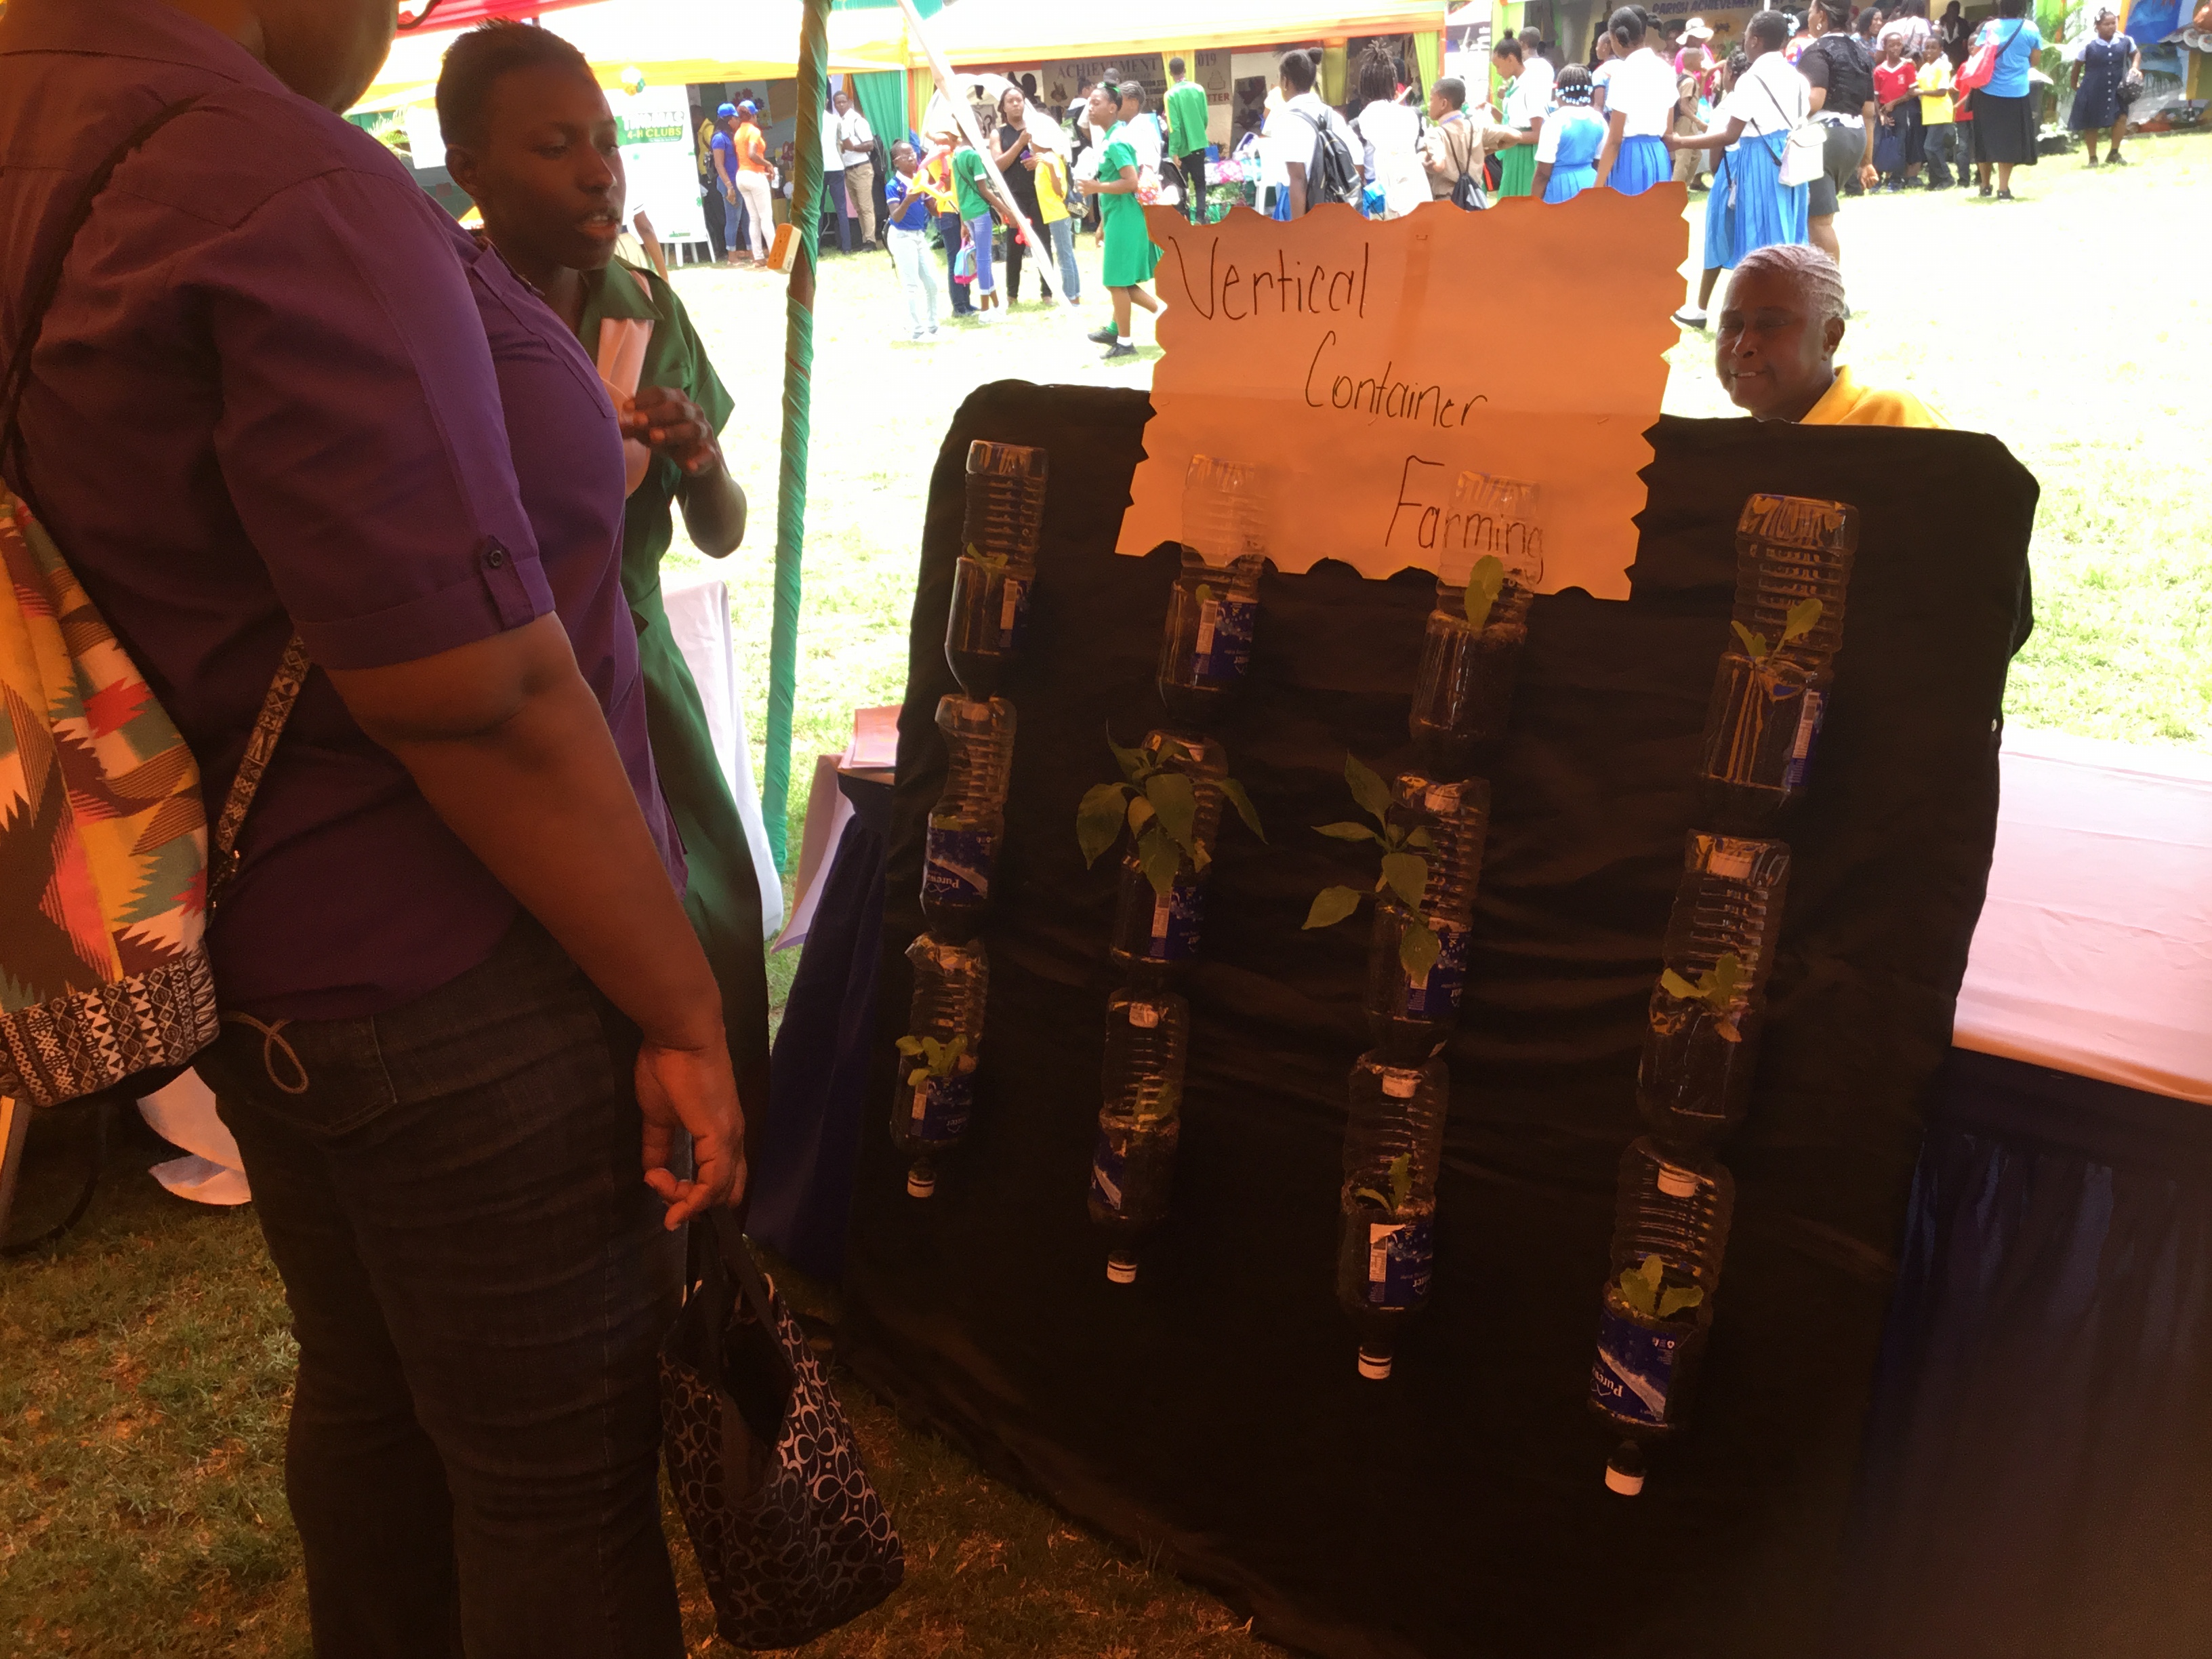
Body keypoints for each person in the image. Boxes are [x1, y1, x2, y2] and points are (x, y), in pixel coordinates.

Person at [0, 1, 747, 1654]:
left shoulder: (49, 112)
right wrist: (680, 1001)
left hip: (254, 930)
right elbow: (475, 694)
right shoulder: (281, 182)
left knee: (375, 1398)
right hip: (455, 951)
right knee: (552, 1478)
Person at [442, 21, 768, 1204]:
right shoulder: (439, 310)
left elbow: (721, 533)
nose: (598, 174)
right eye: (554, 147)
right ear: (469, 167)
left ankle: (728, 1189)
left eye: (606, 142)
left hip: (637, 673)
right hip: (509, 678)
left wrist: (699, 453)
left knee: (711, 922)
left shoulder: (644, 309)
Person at [1669, 10, 1810, 327]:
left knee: (1760, 240)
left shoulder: (1752, 80)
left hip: (1760, 160)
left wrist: (1680, 142)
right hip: (1791, 159)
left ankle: (1765, 318)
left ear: (1756, 40)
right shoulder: (1798, 78)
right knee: (1787, 236)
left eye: (1746, 36)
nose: (1744, 42)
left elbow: (1730, 135)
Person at [1713, 245, 1944, 424]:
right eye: (1732, 325)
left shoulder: (1893, 420)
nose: (1741, 346)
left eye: (1770, 325)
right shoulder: (1730, 450)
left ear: (1830, 338)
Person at [1084, 78, 1161, 361]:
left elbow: (1130, 182)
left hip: (1127, 217)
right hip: (1118, 216)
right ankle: (1117, 330)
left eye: (1096, 103)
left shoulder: (1117, 141)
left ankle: (1126, 340)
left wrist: (1096, 187)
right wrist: (1103, 224)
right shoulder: (1111, 138)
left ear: (1112, 108)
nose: (1090, 109)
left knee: (1117, 282)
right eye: (1089, 103)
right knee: (1120, 280)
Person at [1799, 0, 1879, 261]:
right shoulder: (1861, 52)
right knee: (1822, 219)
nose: (1809, 16)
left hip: (1824, 138)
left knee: (1818, 222)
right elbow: (1869, 111)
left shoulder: (1817, 50)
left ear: (1822, 15)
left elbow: (1815, 100)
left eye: (1812, 10)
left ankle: (1828, 284)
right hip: (1855, 137)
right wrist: (1867, 162)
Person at [1594, 7, 1678, 194]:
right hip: (1659, 154)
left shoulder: (1623, 73)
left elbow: (1615, 140)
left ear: (1616, 38)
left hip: (1631, 158)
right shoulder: (1665, 69)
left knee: (1628, 211)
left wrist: (1597, 186)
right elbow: (1669, 130)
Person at [1968, 0, 2043, 198]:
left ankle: (1985, 186)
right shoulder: (2031, 28)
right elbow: (2035, 60)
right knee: (2009, 141)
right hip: (2016, 92)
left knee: (1984, 139)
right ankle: (2003, 189)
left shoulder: (1990, 27)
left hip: (1987, 91)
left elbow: (1976, 54)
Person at [1277, 47, 1362, 218]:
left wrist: (1298, 227)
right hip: (1337, 208)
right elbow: (1358, 159)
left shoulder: (1289, 121)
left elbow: (1298, 179)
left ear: (1285, 82)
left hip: (1303, 208)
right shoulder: (1334, 116)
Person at [989, 85, 1049, 305]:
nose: (1016, 104)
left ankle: (1048, 293)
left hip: (1038, 194)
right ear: (1003, 107)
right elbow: (998, 165)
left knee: (1043, 244)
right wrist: (1020, 144)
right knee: (1014, 247)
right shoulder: (998, 134)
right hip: (1013, 197)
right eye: (1011, 101)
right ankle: (1012, 295)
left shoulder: (1036, 129)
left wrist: (1038, 160)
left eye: (1019, 100)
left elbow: (1052, 156)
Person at [1353, 45, 1429, 218]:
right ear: (1394, 85)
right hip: (1415, 197)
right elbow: (1422, 151)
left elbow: (1358, 175)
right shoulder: (1413, 116)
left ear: (1363, 87)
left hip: (1378, 201)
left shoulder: (1359, 125)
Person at [882, 140, 943, 338]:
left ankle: (933, 326)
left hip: (918, 235)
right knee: (912, 285)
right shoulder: (894, 186)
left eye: (913, 154)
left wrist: (940, 192)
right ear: (896, 162)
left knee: (932, 282)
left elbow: (933, 209)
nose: (912, 158)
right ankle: (917, 330)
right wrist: (908, 200)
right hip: (901, 236)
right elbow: (896, 217)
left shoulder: (920, 180)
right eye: (906, 156)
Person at [2068, 7, 2139, 167]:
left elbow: (2135, 53)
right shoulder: (2089, 45)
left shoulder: (2125, 41)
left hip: (2118, 88)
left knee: (2121, 118)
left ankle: (2114, 153)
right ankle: (2093, 158)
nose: (2111, 27)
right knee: (2091, 123)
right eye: (2107, 24)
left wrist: (2135, 67)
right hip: (2093, 89)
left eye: (2113, 23)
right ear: (2097, 26)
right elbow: (2077, 65)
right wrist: (2074, 84)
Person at [950, 128, 1006, 316]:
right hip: (980, 211)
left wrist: (963, 223)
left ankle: (996, 305)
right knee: (984, 260)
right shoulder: (974, 156)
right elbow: (984, 190)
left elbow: (959, 192)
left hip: (967, 213)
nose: (982, 130)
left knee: (983, 259)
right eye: (980, 126)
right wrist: (1006, 210)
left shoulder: (956, 155)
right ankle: (986, 310)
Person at [1534, 63, 1610, 200]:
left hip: (1561, 187)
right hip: (1590, 185)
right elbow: (1600, 161)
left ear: (1560, 92)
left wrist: (1533, 202)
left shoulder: (1555, 121)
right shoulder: (1599, 120)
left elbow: (1543, 173)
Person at [919, 134, 974, 317]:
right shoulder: (937, 157)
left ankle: (966, 302)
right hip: (948, 212)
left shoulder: (952, 157)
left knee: (964, 257)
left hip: (960, 211)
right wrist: (937, 140)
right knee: (955, 259)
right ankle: (959, 305)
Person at [1031, 138, 1083, 300]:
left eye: (1032, 139)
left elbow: (1059, 190)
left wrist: (1051, 168)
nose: (1031, 143)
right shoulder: (1045, 159)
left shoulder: (1050, 159)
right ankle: (1075, 295)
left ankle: (1070, 297)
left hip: (1058, 214)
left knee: (1064, 257)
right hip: (1054, 214)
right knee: (1067, 255)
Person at [1492, 35, 1542, 197]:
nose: (1498, 72)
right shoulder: (1516, 84)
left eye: (1498, 66)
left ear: (1511, 59)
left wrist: (1509, 135)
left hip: (1526, 155)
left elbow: (1538, 134)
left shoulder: (1531, 85)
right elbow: (1514, 122)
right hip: (1514, 151)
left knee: (1521, 202)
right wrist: (1492, 111)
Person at [1165, 54, 1212, 225]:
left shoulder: (1170, 95)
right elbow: (1205, 118)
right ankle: (1200, 217)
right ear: (1185, 70)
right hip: (1198, 144)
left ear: (1171, 73)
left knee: (1181, 186)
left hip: (1182, 149)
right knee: (1200, 184)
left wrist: (1174, 151)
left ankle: (1184, 218)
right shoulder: (1199, 90)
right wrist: (1197, 134)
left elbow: (1174, 127)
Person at [1873, 30, 1922, 188]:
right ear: (1885, 47)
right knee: (1879, 144)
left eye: (1899, 44)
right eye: (1892, 45)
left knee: (1899, 145)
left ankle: (1896, 180)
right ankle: (1877, 179)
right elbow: (1875, 96)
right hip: (1883, 111)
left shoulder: (1907, 67)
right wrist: (1881, 115)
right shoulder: (1879, 70)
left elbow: (1912, 92)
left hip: (1902, 110)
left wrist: (1894, 103)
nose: (1896, 48)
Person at [730, 99, 775, 265]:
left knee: (754, 219)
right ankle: (776, 255)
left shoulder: (738, 133)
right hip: (755, 175)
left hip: (742, 175)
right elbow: (752, 154)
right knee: (766, 218)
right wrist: (768, 164)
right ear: (754, 115)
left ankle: (758, 257)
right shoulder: (754, 131)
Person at [833, 88, 878, 247]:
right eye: (838, 103)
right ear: (834, 105)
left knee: (866, 207)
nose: (841, 105)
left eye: (843, 102)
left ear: (850, 103)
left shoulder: (857, 121)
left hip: (861, 168)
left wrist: (852, 148)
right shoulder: (839, 122)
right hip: (848, 170)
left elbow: (870, 145)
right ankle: (865, 240)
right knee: (858, 208)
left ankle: (871, 240)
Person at [1915, 36, 1961, 186]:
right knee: (1933, 148)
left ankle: (1947, 178)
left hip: (1940, 112)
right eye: (1927, 47)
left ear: (1941, 49)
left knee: (1931, 147)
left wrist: (1921, 92)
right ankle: (1935, 181)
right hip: (1929, 113)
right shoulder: (1925, 67)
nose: (1929, 51)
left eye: (1933, 47)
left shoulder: (1942, 67)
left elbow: (1942, 91)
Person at [817, 95, 853, 255]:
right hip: (836, 166)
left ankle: (816, 248)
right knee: (841, 209)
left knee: (818, 209)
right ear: (827, 102)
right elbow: (847, 143)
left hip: (819, 168)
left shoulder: (811, 121)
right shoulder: (836, 120)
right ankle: (847, 247)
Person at [695, 106, 727, 262]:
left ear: (697, 117)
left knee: (718, 214)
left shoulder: (708, 130)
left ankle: (725, 248)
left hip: (712, 179)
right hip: (706, 179)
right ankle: (720, 247)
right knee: (712, 215)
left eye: (692, 118)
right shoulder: (702, 131)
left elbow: (717, 152)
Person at [1671, 72, 1713, 187]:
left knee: (1696, 155)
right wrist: (1700, 123)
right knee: (1683, 159)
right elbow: (1683, 107)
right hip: (1684, 121)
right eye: (1699, 62)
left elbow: (1697, 97)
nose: (1701, 64)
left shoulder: (1691, 79)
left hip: (1691, 121)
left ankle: (1683, 187)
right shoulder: (1688, 81)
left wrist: (1703, 78)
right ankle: (1676, 191)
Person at [1675, 16, 1719, 91]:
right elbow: (1688, 81)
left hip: (1711, 95)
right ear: (1689, 38)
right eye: (1697, 36)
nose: (1700, 39)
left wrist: (1718, 76)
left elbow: (1713, 64)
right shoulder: (1682, 56)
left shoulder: (1704, 48)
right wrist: (1716, 67)